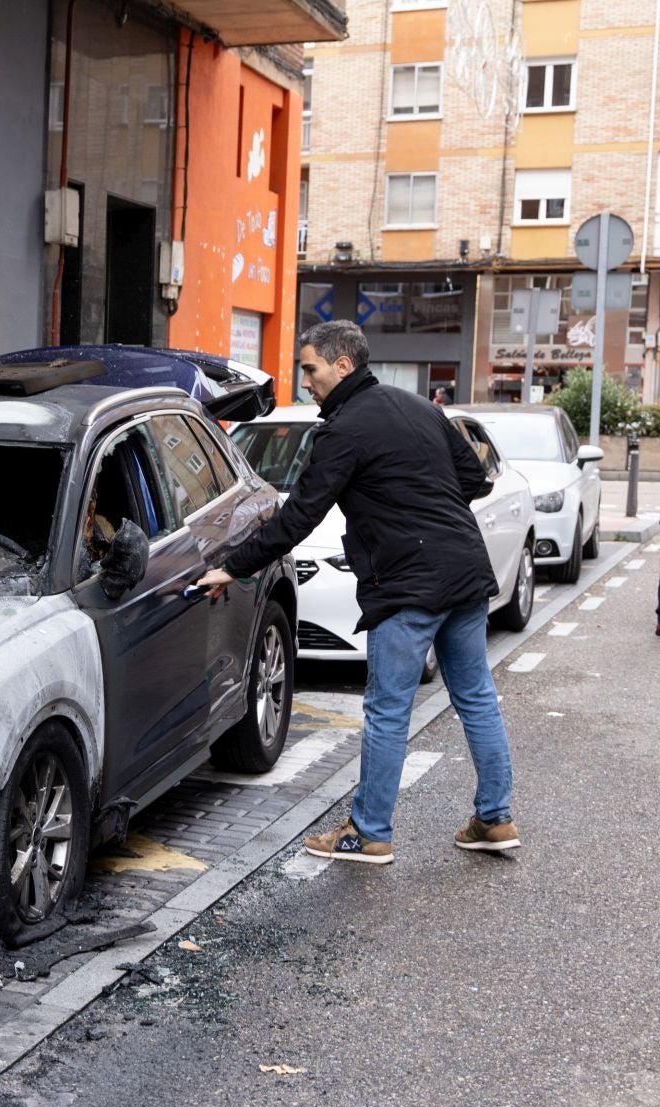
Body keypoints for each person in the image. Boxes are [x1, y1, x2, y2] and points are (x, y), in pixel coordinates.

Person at [194, 322, 521, 863]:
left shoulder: (343, 430)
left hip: (406, 584)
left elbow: (300, 514)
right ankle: (495, 818)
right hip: (463, 572)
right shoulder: (421, 408)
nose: (306, 382)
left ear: (343, 365)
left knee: (389, 710)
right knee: (477, 699)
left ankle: (369, 831)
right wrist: (418, 503)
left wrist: (234, 566)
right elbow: (476, 479)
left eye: (311, 370)